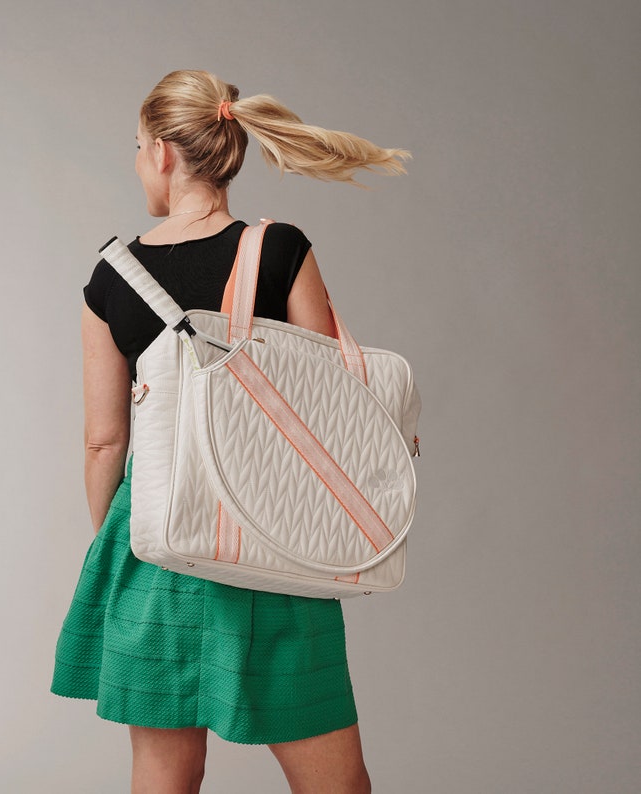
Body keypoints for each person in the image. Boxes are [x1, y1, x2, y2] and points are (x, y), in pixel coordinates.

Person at [51, 69, 408, 794]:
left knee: (163, 775)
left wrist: (114, 542)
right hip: (269, 539)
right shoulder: (279, 250)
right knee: (336, 782)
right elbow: (336, 399)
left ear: (160, 152)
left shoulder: (111, 279)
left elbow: (103, 443)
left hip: (153, 543)